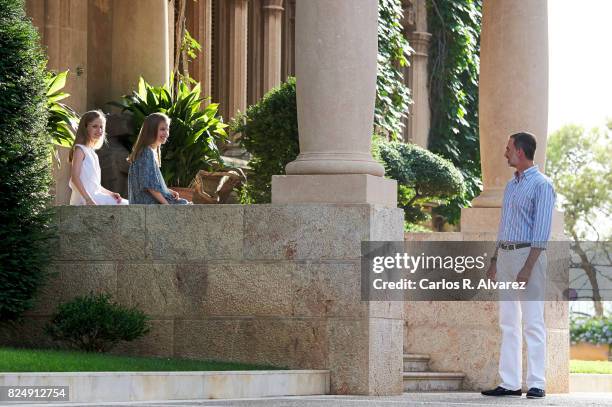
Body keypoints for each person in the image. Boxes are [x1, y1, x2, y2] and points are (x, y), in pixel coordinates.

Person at [481, 132, 556, 399]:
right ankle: (510, 383)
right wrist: (494, 260)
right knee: (508, 322)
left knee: (533, 321)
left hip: (529, 258)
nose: (505, 153)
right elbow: (504, 228)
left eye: (508, 148)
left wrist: (527, 267)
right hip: (506, 258)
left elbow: (541, 231)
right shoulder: (511, 186)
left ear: (521, 152)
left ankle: (537, 383)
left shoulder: (542, 185)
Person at [127, 113, 190, 204]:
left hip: (146, 203)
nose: (166, 133)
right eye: (162, 129)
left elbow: (152, 184)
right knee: (184, 204)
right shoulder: (146, 153)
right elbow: (150, 186)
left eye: (167, 129)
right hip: (147, 204)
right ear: (151, 131)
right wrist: (166, 205)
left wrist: (168, 191)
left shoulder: (148, 151)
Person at [69, 110, 128, 205]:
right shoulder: (80, 150)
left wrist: (111, 193)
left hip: (95, 197)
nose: (99, 130)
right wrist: (88, 199)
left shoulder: (92, 153)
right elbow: (74, 178)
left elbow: (95, 186)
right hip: (84, 199)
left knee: (125, 203)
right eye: (94, 126)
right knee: (126, 205)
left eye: (101, 127)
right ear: (85, 128)